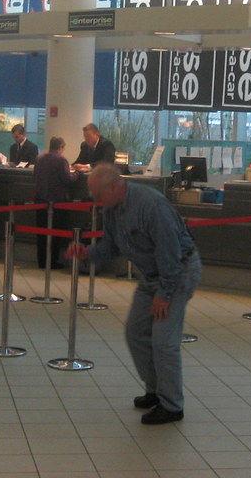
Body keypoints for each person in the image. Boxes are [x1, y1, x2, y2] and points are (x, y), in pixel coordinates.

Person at [67, 164, 201, 424]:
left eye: (98, 194)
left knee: (163, 341)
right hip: (151, 276)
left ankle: (172, 406)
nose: (95, 201)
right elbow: (111, 246)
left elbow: (170, 253)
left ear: (115, 186)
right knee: (135, 332)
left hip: (177, 273)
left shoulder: (151, 206)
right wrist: (87, 253)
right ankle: (155, 390)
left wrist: (165, 293)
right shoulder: (112, 209)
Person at [33, 136, 78, 269]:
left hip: (40, 199)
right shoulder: (61, 159)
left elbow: (34, 177)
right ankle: (52, 261)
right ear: (61, 147)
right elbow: (67, 179)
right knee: (55, 233)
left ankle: (41, 261)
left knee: (41, 232)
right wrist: (78, 173)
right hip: (57, 201)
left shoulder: (40, 158)